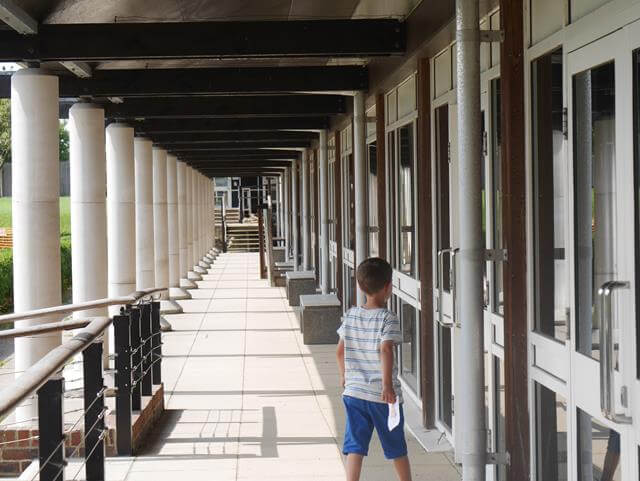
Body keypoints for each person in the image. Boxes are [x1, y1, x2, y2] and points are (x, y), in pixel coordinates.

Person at [336, 257, 412, 481]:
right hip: (383, 398)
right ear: (389, 286)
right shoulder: (388, 318)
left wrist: (344, 377)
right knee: (396, 445)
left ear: (360, 286)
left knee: (355, 446)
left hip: (354, 393)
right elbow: (386, 350)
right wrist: (387, 386)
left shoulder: (350, 315)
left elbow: (340, 351)